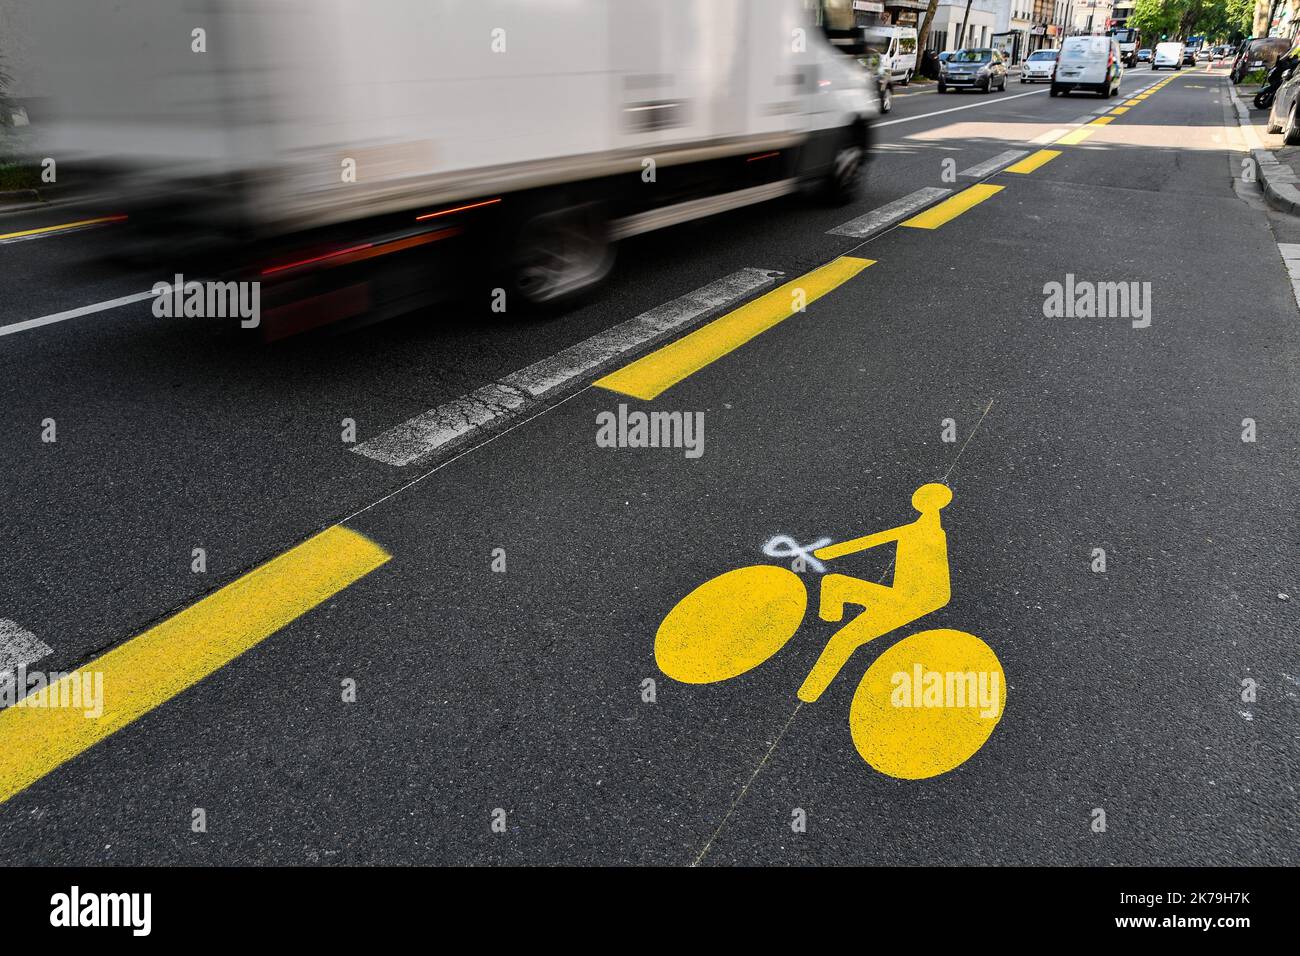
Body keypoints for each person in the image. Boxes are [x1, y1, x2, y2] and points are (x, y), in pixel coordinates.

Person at [796, 483, 954, 703]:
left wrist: (824, 553)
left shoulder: (927, 530)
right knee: (843, 633)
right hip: (903, 594)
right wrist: (826, 552)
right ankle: (811, 685)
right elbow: (869, 541)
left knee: (842, 626)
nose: (923, 503)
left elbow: (871, 541)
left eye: (927, 500)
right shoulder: (917, 528)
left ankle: (824, 630)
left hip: (915, 598)